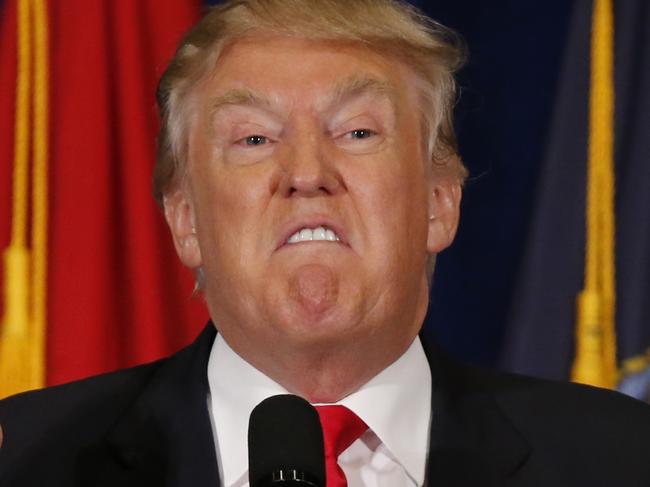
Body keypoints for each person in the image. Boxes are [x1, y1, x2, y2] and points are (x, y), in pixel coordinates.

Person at [1, 1, 649, 486]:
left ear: (439, 202)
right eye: (254, 138)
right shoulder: (28, 459)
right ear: (186, 220)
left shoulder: (619, 458)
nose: (307, 172)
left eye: (358, 132)